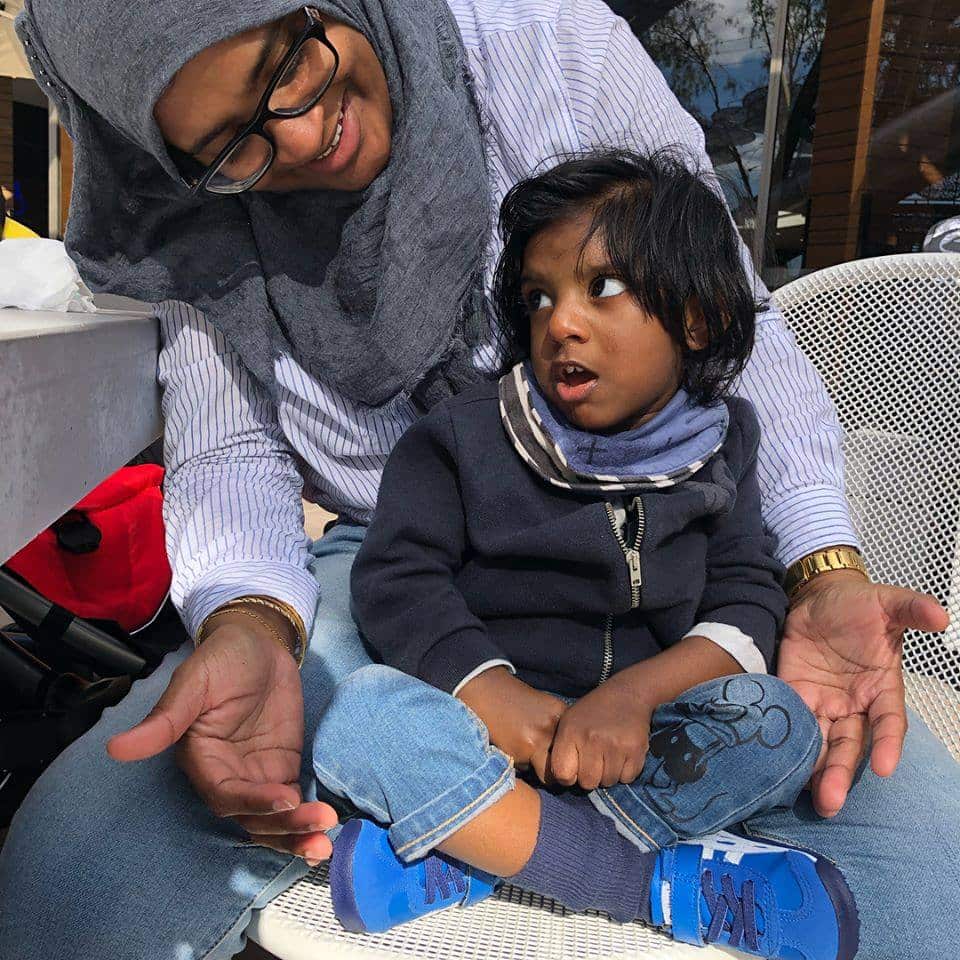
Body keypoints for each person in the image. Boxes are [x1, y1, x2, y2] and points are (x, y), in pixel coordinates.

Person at [0, 1, 955, 958]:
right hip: (396, 566)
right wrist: (250, 622)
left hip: (661, 587)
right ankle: (628, 867)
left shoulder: (541, 42)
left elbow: (732, 329)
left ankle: (487, 838)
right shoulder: (196, 226)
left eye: (285, 63)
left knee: (915, 879)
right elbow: (233, 453)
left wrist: (824, 570)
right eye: (227, 145)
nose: (297, 134)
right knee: (73, 871)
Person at [316, 150, 857, 960]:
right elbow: (398, 577)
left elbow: (746, 598)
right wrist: (492, 693)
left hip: (636, 744)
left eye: (602, 288)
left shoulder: (725, 443)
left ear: (697, 319)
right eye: (539, 298)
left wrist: (637, 697)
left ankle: (480, 853)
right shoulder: (463, 439)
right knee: (358, 718)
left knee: (784, 724)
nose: (561, 322)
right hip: (484, 733)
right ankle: (643, 886)